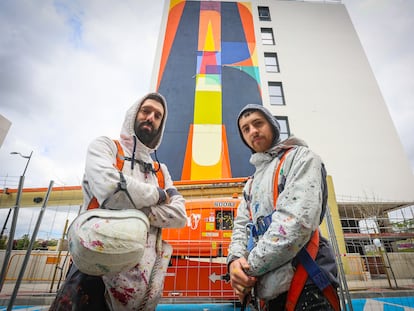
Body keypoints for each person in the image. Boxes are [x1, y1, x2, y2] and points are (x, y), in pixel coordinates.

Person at [50, 92, 187, 311]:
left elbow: (180, 216)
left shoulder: (162, 171)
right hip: (93, 275)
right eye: (146, 111)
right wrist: (160, 196)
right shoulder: (106, 148)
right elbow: (110, 190)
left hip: (140, 290)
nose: (151, 117)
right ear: (133, 114)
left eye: (157, 115)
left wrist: (129, 204)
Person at [227, 104, 339, 311]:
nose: (253, 131)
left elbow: (295, 224)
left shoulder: (301, 158)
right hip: (268, 293)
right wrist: (235, 262)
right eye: (246, 129)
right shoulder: (251, 185)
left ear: (272, 125)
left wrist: (247, 269)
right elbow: (241, 228)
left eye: (258, 123)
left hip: (308, 284)